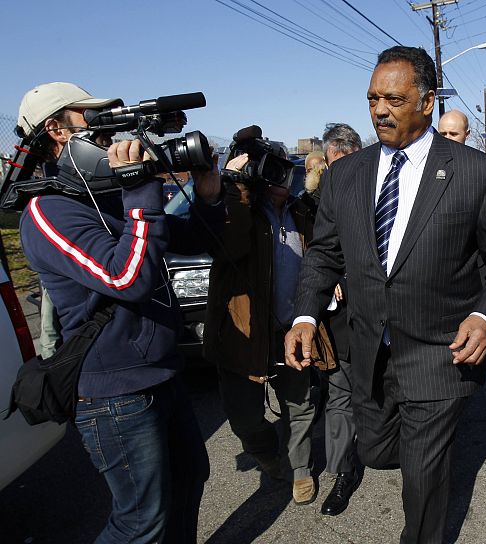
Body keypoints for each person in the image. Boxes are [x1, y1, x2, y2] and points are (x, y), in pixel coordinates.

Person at [285, 46, 486, 543]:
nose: (379, 110)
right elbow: (323, 253)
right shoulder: (344, 175)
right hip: (369, 350)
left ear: (426, 101)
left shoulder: (474, 173)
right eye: (372, 98)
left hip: (441, 354)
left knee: (423, 481)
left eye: (393, 99)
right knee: (376, 452)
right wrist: (305, 317)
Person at [17, 82, 221, 542]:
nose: (111, 139)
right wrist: (139, 188)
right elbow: (127, 278)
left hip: (161, 374)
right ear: (56, 131)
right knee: (140, 522)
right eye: (95, 124)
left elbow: (190, 240)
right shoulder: (48, 211)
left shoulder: (103, 198)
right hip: (115, 395)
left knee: (188, 484)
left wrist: (206, 194)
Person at [203, 135, 318, 506]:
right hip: (244, 334)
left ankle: (300, 468)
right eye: (268, 170)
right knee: (243, 416)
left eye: (282, 169)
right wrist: (236, 187)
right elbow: (231, 245)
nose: (278, 178)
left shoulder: (302, 212)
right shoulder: (238, 209)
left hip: (292, 327)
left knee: (300, 405)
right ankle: (265, 450)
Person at [314, 122, 363, 517]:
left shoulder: (382, 189)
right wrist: (328, 281)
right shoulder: (316, 198)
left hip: (385, 318)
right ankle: (342, 471)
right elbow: (314, 254)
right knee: (339, 396)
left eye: (345, 162)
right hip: (339, 321)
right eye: (333, 164)